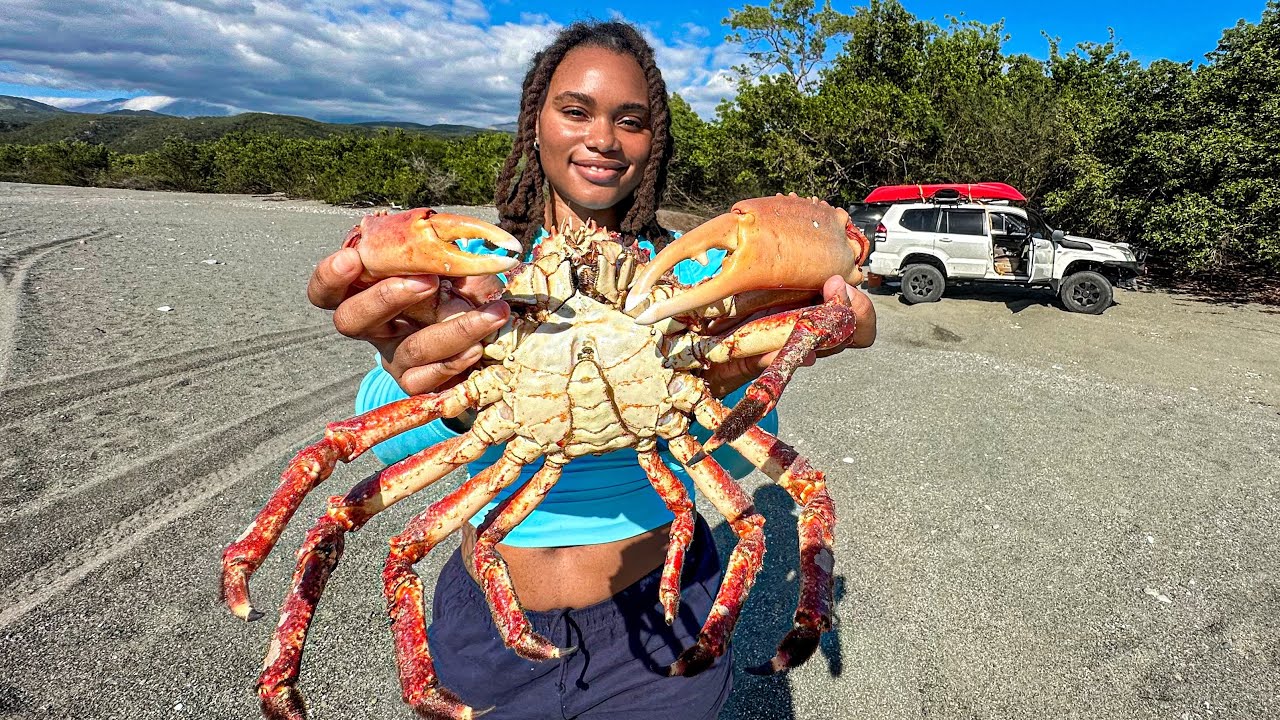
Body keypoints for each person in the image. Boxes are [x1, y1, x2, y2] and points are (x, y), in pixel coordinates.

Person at [306, 19, 877, 720]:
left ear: (653, 139)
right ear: (535, 122)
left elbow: (753, 428)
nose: (602, 138)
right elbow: (387, 440)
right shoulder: (474, 275)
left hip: (664, 616)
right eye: (575, 110)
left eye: (629, 121)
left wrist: (798, 339)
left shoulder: (696, 273)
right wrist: (442, 383)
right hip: (491, 619)